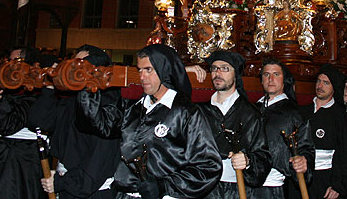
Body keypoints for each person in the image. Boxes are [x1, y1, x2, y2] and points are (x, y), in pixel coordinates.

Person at [77, 44, 222, 199]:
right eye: (139, 70)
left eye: (148, 70)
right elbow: (99, 124)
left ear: (164, 70)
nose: (142, 76)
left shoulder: (185, 112)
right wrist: (88, 88)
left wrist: (165, 186)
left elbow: (209, 166)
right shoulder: (133, 107)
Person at [28, 45, 122, 199]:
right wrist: (50, 85)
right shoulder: (71, 101)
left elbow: (97, 163)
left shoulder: (106, 107)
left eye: (78, 64)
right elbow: (39, 121)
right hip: (69, 186)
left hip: (91, 191)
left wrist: (63, 182)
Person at [197, 51, 271, 198]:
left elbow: (263, 157)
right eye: (214, 68)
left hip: (237, 190)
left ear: (235, 74)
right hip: (204, 189)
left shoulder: (251, 113)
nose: (217, 73)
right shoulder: (200, 112)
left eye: (224, 68)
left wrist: (248, 161)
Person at [0, 46, 47, 199]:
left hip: (17, 167)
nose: (7, 67)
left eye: (13, 62)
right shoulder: (12, 90)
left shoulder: (33, 93)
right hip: (1, 163)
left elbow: (7, 125)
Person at [257, 58, 314, 198]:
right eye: (266, 74)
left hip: (275, 187)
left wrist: (304, 161)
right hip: (248, 183)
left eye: (276, 74)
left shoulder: (294, 113)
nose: (270, 79)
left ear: (284, 80)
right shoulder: (251, 110)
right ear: (261, 80)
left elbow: (305, 147)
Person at [300, 64, 347, 199]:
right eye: (319, 81)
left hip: (326, 178)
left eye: (326, 83)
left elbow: (345, 153)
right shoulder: (302, 111)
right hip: (301, 176)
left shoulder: (340, 115)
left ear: (334, 87)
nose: (320, 86)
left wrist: (338, 185)